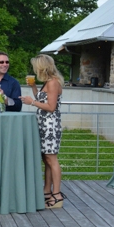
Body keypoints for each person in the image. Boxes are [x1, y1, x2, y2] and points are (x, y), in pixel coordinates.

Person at [19, 55, 65, 209]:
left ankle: (57, 195)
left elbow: (51, 107)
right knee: (47, 159)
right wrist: (33, 89)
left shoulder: (52, 83)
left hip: (50, 126)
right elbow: (44, 101)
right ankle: (47, 191)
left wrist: (31, 102)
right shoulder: (48, 82)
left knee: (52, 159)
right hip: (44, 125)